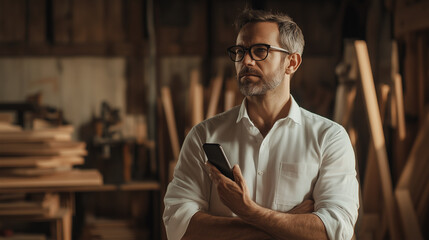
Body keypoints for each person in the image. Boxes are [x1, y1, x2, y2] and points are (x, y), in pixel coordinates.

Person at [163, 9, 359, 240]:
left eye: (259, 51)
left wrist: (249, 211)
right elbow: (179, 225)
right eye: (240, 51)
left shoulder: (329, 138)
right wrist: (279, 225)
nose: (246, 61)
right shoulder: (204, 135)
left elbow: (335, 231)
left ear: (292, 62)